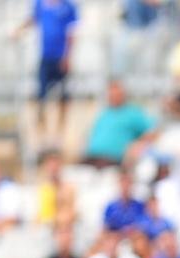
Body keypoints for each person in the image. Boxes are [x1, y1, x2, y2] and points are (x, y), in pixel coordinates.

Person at [17, 0, 78, 135]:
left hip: (60, 58)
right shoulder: (39, 3)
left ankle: (60, 132)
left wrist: (67, 57)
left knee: (63, 97)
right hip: (45, 57)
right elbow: (33, 19)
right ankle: (42, 132)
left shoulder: (68, 6)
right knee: (41, 97)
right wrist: (18, 31)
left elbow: (71, 33)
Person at [84, 81, 158, 169]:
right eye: (111, 94)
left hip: (113, 160)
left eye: (117, 94)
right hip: (91, 157)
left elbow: (152, 131)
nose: (113, 97)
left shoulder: (133, 113)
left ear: (123, 95)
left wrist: (136, 145)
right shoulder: (104, 113)